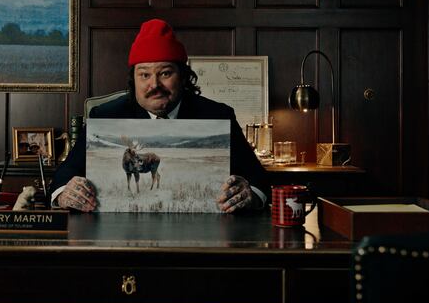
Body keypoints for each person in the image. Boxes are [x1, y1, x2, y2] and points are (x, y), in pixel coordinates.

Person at [50, 18, 268, 213]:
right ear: (133, 79)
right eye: (144, 74)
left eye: (165, 73)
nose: (154, 85)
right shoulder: (105, 116)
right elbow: (62, 176)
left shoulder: (218, 115)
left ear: (183, 77)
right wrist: (64, 194)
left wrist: (251, 195)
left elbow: (259, 180)